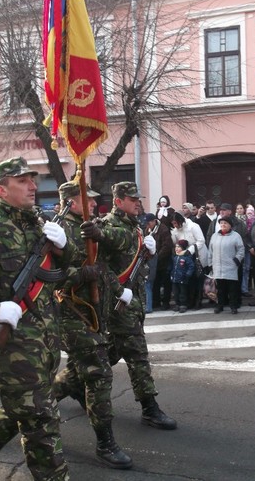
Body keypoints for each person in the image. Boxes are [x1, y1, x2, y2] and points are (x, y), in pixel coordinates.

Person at [0, 157, 75, 480]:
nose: (33, 186)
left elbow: (62, 273)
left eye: (32, 180)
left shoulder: (39, 223)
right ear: (1, 189)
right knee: (41, 423)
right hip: (13, 348)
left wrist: (64, 247)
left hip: (45, 344)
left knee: (17, 409)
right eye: (23, 181)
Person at [80, 182, 177, 430]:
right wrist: (118, 290)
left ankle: (66, 385)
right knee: (137, 354)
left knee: (111, 353)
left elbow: (133, 260)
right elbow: (102, 261)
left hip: (133, 302)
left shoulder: (135, 226)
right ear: (118, 201)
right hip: (118, 304)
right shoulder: (108, 226)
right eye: (132, 199)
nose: (138, 203)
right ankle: (149, 408)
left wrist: (149, 252)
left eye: (138, 199)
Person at [53, 181, 132, 470]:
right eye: (88, 199)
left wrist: (117, 288)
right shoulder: (57, 230)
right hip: (72, 312)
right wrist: (78, 274)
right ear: (72, 202)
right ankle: (105, 443)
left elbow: (103, 264)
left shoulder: (90, 227)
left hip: (96, 311)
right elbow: (47, 275)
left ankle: (40, 402)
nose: (95, 204)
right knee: (99, 373)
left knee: (76, 371)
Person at [171, 211, 208, 309]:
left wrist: (189, 251)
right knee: (190, 280)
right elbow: (176, 242)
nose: (174, 225)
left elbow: (201, 241)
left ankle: (198, 301)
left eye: (175, 223)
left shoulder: (193, 226)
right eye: (173, 223)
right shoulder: (176, 230)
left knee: (198, 279)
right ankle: (189, 301)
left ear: (180, 221)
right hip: (185, 258)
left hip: (197, 256)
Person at [208, 216, 245, 314]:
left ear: (230, 225)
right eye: (221, 223)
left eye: (225, 223)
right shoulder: (214, 236)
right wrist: (210, 263)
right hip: (217, 267)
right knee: (220, 289)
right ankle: (220, 305)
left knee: (232, 289)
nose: (223, 225)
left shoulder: (236, 236)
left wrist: (236, 260)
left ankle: (233, 306)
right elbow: (210, 251)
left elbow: (241, 250)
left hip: (230, 266)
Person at [144, 213, 173, 312]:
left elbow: (167, 246)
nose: (148, 226)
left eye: (149, 223)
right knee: (155, 282)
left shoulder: (163, 229)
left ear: (154, 221)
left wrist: (157, 257)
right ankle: (156, 302)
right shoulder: (148, 230)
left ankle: (166, 302)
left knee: (165, 282)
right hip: (153, 262)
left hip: (163, 261)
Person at [171, 239, 195, 313]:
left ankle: (183, 305)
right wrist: (171, 275)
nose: (176, 248)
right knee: (176, 292)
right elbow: (173, 267)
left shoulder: (186, 257)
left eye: (179, 247)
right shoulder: (175, 257)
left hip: (183, 278)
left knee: (182, 293)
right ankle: (177, 304)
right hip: (175, 278)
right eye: (176, 247)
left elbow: (191, 266)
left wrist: (188, 274)